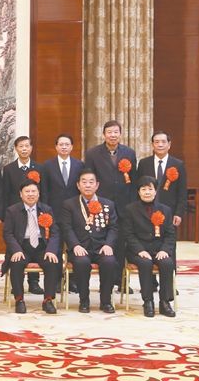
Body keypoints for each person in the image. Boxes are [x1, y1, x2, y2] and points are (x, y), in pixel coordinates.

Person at [84, 120, 137, 292]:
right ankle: (104, 283)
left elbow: (133, 181)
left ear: (120, 134)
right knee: (102, 243)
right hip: (100, 206)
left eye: (116, 132)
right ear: (104, 134)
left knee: (121, 245)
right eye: (109, 132)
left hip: (123, 206)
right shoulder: (93, 153)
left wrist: (131, 205)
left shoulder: (129, 153)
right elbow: (89, 178)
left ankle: (121, 281)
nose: (113, 135)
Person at [58, 169, 118, 313]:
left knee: (109, 262)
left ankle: (106, 301)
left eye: (91, 182)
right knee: (81, 262)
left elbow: (114, 228)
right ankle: (84, 300)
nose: (88, 185)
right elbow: (66, 228)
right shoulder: (69, 204)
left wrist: (108, 244)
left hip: (101, 247)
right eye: (84, 182)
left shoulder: (108, 204)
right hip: (80, 247)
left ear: (97, 185)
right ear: (78, 185)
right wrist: (75, 245)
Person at [2, 179, 60, 314]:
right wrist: (16, 250)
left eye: (33, 191)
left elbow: (55, 232)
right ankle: (19, 300)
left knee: (52, 262)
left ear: (38, 193)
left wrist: (51, 250)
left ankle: (48, 300)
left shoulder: (46, 209)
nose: (30, 194)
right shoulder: (12, 210)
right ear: (21, 194)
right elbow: (8, 234)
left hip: (42, 246)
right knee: (16, 262)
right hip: (22, 246)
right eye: (27, 191)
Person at [123, 176, 177, 318]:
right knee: (145, 263)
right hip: (138, 250)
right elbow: (128, 234)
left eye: (150, 189)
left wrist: (165, 250)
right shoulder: (130, 209)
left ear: (155, 191)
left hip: (159, 249)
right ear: (138, 192)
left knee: (167, 263)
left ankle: (165, 302)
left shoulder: (165, 210)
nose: (147, 192)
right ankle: (148, 301)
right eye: (143, 189)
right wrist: (140, 250)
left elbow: (171, 234)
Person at [2, 136, 45, 295]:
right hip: (16, 214)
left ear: (31, 148)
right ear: (16, 148)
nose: (24, 149)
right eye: (21, 146)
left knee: (36, 243)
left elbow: (43, 191)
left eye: (27, 146)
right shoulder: (9, 169)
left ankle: (34, 283)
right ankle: (16, 284)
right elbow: (5, 193)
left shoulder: (39, 168)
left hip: (36, 212)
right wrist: (5, 215)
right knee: (16, 246)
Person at [42, 134, 84, 293]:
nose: (64, 147)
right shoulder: (47, 165)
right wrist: (45, 211)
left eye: (67, 144)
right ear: (56, 147)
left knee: (75, 246)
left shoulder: (80, 165)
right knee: (56, 248)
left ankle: (73, 281)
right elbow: (44, 190)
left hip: (75, 213)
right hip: (54, 212)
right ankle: (56, 281)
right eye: (61, 144)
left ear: (72, 147)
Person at [136, 131, 187, 228]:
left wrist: (179, 213)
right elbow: (138, 188)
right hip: (146, 211)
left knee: (168, 236)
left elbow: (182, 192)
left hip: (170, 212)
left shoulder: (178, 164)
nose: (160, 145)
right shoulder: (144, 163)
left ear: (169, 144)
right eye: (157, 142)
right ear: (152, 145)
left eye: (163, 142)